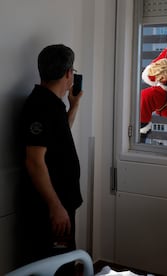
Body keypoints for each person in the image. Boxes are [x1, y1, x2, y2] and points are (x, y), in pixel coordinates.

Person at [19, 44, 83, 274]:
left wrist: (73, 106)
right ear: (68, 73)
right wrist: (55, 206)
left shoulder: (52, 104)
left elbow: (58, 136)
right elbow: (34, 161)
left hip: (60, 205)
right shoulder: (40, 106)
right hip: (51, 209)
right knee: (55, 267)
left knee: (62, 262)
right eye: (72, 71)